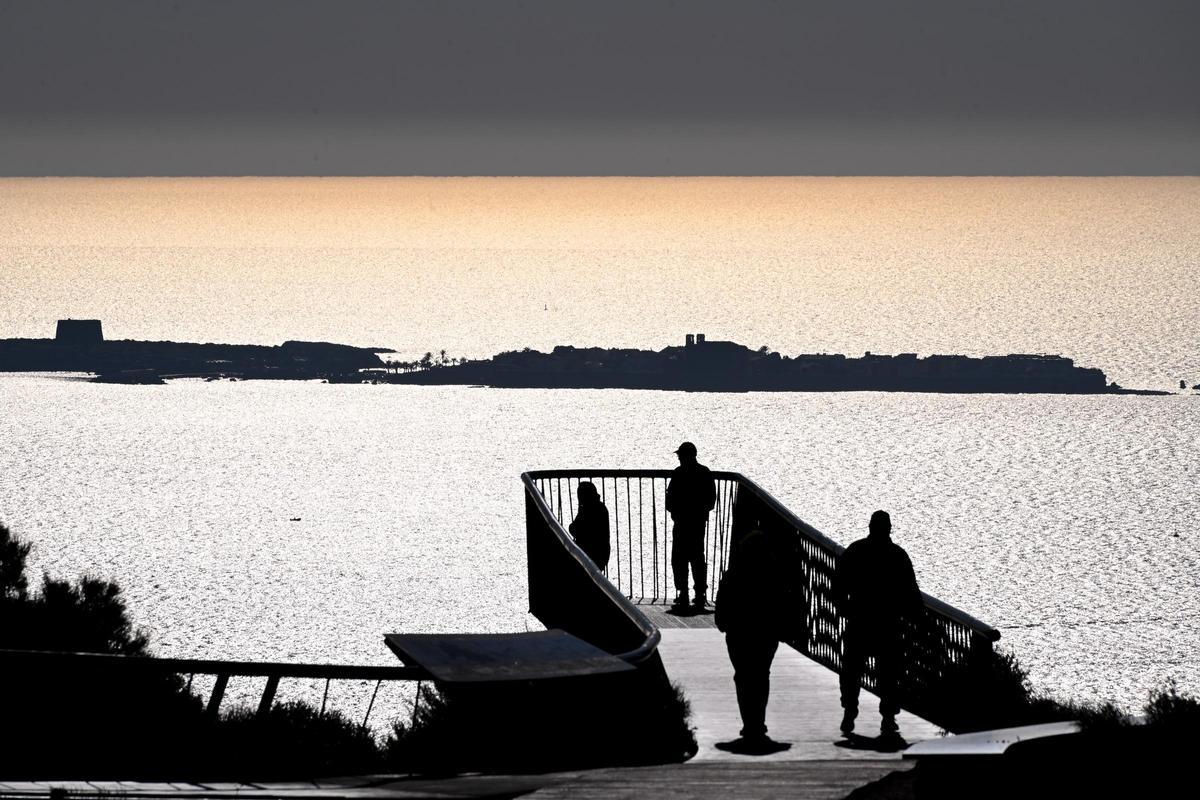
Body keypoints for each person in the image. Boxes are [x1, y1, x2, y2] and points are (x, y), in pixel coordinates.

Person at [833, 510, 924, 739]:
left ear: (870, 527)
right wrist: (916, 619)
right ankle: (887, 717)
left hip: (860, 621)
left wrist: (844, 608)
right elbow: (911, 592)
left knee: (852, 669)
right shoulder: (898, 556)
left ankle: (850, 710)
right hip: (888, 624)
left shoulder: (855, 551)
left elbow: (838, 586)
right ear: (889, 528)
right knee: (890, 672)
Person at [715, 530, 785, 745]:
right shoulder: (774, 575)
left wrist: (723, 623)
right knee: (761, 674)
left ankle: (749, 721)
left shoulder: (732, 575)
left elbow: (723, 606)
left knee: (743, 676)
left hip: (738, 633)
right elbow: (781, 604)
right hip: (765, 632)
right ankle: (758, 721)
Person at [665, 441, 716, 608]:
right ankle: (699, 592)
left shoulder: (678, 474)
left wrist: (675, 512)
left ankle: (683, 592)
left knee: (679, 558)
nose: (678, 458)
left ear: (685, 456)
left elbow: (670, 500)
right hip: (697, 522)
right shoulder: (705, 473)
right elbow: (710, 500)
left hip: (681, 521)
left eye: (680, 455)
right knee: (696, 557)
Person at [568, 481, 610, 572]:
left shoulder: (588, 510)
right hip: (601, 555)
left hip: (592, 555)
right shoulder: (600, 507)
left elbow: (576, 530)